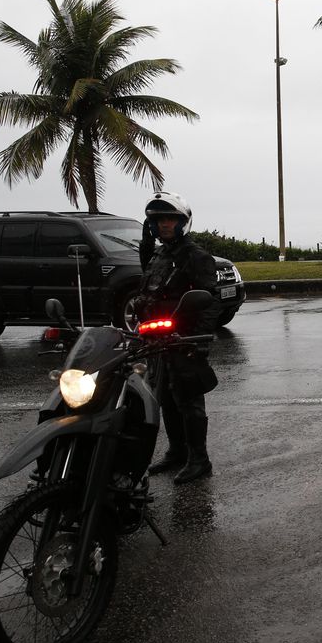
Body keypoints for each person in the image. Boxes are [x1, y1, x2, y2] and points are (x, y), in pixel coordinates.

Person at [137, 191, 222, 483]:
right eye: (158, 220)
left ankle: (200, 459)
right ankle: (177, 451)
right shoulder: (159, 254)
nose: (164, 225)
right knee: (166, 400)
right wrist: (145, 241)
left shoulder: (195, 255)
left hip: (183, 339)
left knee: (189, 401)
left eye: (170, 219)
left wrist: (198, 342)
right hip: (157, 341)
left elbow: (210, 300)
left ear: (182, 222)